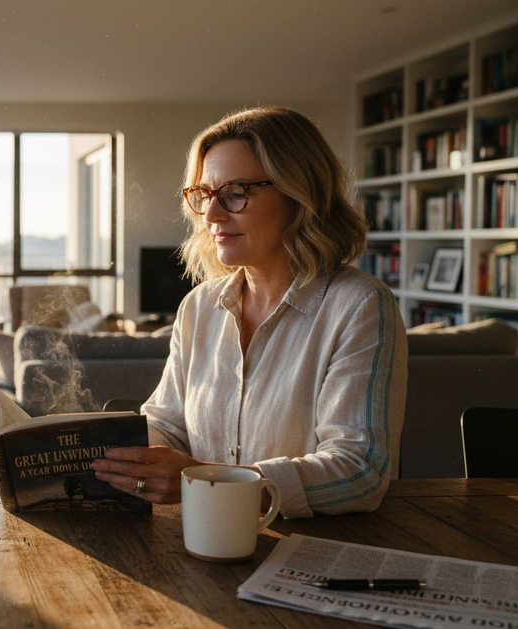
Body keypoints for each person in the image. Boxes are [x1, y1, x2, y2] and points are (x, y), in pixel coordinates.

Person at [91, 107, 407, 518]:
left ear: (300, 195)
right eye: (204, 194)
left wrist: (204, 480)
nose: (211, 215)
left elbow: (358, 471)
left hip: (311, 551)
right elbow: (169, 426)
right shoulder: (199, 306)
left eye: (236, 192)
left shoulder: (360, 305)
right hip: (201, 541)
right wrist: (106, 453)